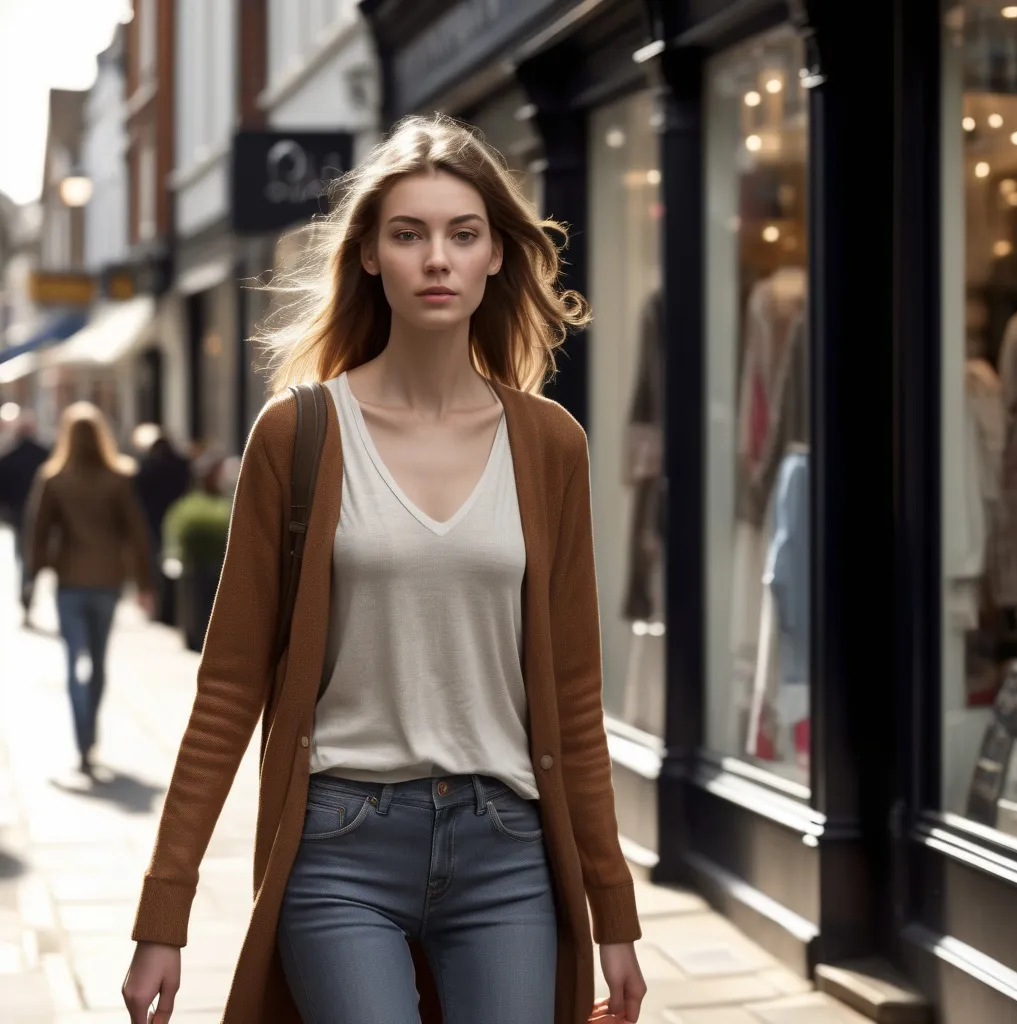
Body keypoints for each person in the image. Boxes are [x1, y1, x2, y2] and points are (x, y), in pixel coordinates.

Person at [122, 114, 648, 1024]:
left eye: (462, 233)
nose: (436, 258)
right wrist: (163, 915)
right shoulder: (298, 435)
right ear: (370, 255)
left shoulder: (550, 445)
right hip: (338, 848)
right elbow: (226, 691)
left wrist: (615, 913)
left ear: (495, 256)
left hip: (508, 850)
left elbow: (573, 693)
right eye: (408, 235)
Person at [24, 402, 155, 775]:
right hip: (108, 580)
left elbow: (38, 532)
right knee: (97, 661)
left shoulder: (53, 478)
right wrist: (145, 583)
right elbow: (137, 533)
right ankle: (91, 734)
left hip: (69, 581)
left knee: (72, 662)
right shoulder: (118, 477)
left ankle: (81, 739)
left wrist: (33, 579)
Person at [132, 432, 191, 621]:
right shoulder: (180, 465)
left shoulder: (147, 467)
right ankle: (170, 608)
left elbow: (138, 494)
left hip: (153, 521)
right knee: (175, 563)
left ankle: (161, 607)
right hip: (177, 517)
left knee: (157, 564)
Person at [0, 411, 49, 625]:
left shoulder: (9, 456)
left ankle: (27, 588)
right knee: (35, 555)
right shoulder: (44, 455)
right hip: (42, 514)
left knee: (23, 556)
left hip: (19, 514)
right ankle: (29, 586)